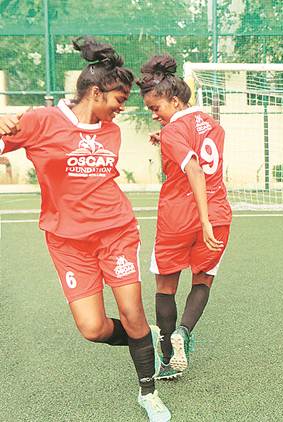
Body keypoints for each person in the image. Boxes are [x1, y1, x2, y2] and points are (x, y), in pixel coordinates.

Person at [0, 37, 170, 421]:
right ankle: (144, 342)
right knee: (92, 328)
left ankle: (148, 390)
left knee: (131, 310)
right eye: (118, 100)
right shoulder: (40, 121)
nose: (121, 108)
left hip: (116, 233)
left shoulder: (110, 130)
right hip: (67, 242)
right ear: (96, 92)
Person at [137, 54, 232, 381]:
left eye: (156, 108)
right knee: (203, 279)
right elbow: (197, 147)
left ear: (175, 100)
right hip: (219, 213)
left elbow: (192, 167)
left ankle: (166, 358)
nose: (154, 114)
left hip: (180, 217)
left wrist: (201, 218)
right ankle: (184, 332)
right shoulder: (212, 123)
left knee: (165, 286)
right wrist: (164, 136)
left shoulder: (174, 130)